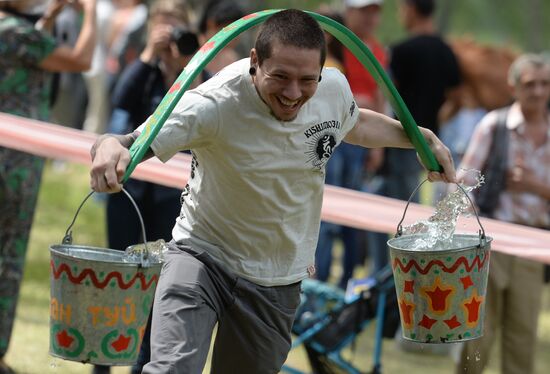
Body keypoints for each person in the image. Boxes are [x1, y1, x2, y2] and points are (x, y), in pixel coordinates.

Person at [89, 9, 455, 373]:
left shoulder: (332, 89)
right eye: (280, 76)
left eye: (306, 80)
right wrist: (109, 147)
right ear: (255, 61)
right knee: (171, 368)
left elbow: (355, 125)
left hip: (276, 279)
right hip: (201, 256)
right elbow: (133, 141)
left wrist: (419, 139)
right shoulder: (214, 103)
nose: (294, 93)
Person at [102, 1, 207, 372]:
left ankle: (141, 363)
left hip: (172, 196)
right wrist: (148, 56)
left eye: (176, 26)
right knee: (118, 275)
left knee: (159, 281)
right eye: (162, 26)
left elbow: (203, 111)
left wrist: (187, 66)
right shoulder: (142, 69)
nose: (169, 35)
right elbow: (119, 100)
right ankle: (103, 358)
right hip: (127, 190)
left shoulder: (197, 72)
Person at [0, 1, 97, 373]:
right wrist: (90, 13)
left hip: (15, 159)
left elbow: (30, 46)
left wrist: (52, 16)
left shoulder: (14, 30)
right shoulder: (14, 31)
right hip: (13, 165)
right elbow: (81, 60)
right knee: (9, 256)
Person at [455, 53, 550, 374]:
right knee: (477, 333)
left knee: (522, 338)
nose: (538, 91)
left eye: (545, 84)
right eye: (530, 84)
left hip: (535, 246)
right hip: (491, 242)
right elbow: (463, 185)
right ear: (514, 86)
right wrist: (470, 237)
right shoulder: (494, 126)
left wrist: (539, 187)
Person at [367, 0, 462, 274]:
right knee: (408, 210)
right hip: (430, 148)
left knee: (395, 216)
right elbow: (456, 98)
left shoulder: (400, 51)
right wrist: (434, 123)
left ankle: (395, 278)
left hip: (396, 142)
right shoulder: (446, 51)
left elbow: (386, 99)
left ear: (409, 8)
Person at [315, 0, 387, 289]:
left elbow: (378, 96)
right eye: (364, 10)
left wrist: (377, 146)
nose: (370, 17)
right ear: (350, 12)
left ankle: (345, 280)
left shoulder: (374, 51)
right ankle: (321, 281)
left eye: (374, 11)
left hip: (357, 142)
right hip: (332, 139)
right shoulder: (334, 53)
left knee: (350, 214)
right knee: (327, 211)